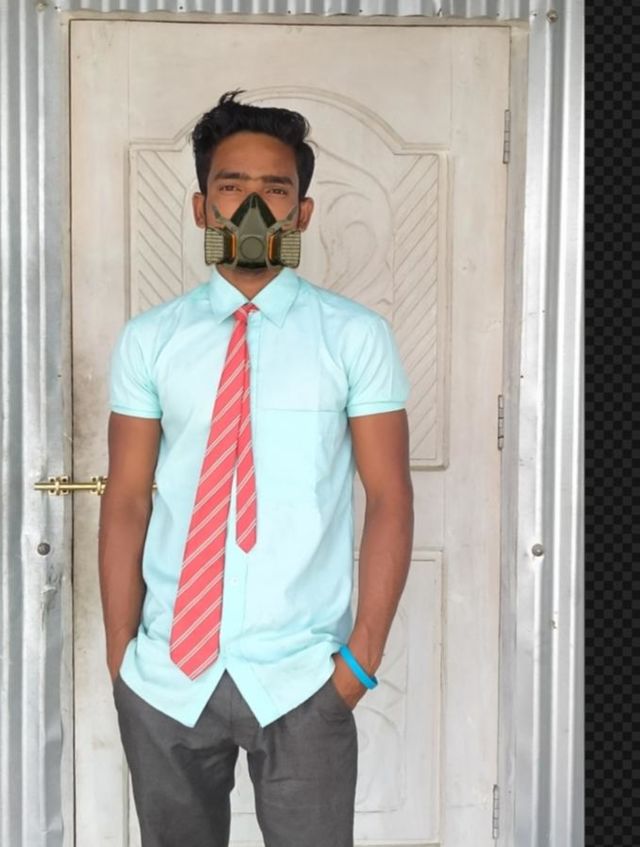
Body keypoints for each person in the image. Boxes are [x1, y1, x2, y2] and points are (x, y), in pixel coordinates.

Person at [98, 90, 414, 847]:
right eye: (232, 185)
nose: (252, 208)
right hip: (168, 677)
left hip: (304, 677)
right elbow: (127, 498)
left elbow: (389, 497)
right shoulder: (150, 340)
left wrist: (360, 662)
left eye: (275, 190)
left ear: (301, 214)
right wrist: (122, 658)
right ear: (201, 207)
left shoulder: (355, 337)